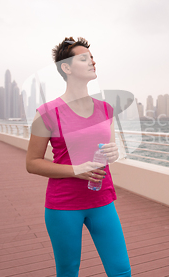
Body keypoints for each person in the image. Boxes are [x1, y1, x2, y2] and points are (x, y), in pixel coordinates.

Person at [26, 37, 131, 277]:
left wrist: (115, 152)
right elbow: (32, 163)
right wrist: (76, 170)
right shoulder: (46, 113)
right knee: (68, 271)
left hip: (102, 201)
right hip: (64, 206)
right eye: (84, 58)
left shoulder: (106, 109)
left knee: (121, 271)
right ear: (66, 68)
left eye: (91, 57)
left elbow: (108, 150)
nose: (92, 61)